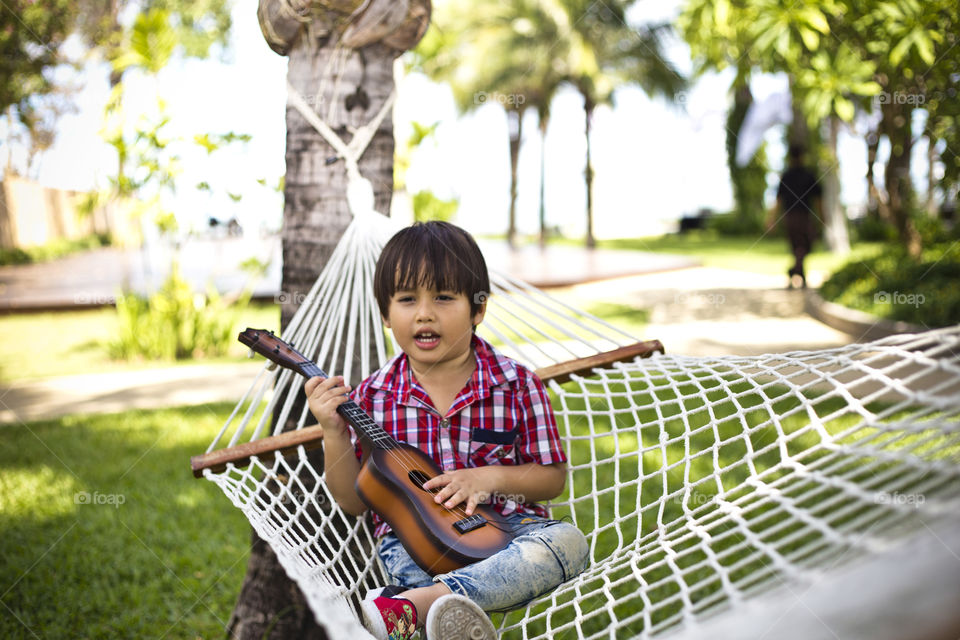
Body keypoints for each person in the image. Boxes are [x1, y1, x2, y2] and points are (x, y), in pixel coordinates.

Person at [305, 221, 589, 640]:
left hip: (510, 538)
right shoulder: (371, 398)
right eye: (406, 299)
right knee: (415, 572)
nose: (424, 313)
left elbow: (551, 479)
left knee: (570, 543)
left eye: (443, 296)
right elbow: (352, 503)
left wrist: (488, 479)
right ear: (385, 313)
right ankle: (445, 607)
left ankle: (414, 607)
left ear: (478, 308)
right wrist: (332, 431)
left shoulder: (516, 384)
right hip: (414, 547)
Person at [768, 144, 822, 289]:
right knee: (800, 246)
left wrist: (772, 219)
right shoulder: (797, 175)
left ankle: (795, 272)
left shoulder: (799, 175)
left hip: (793, 217)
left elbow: (817, 197)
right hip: (799, 216)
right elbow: (818, 200)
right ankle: (798, 274)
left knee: (801, 246)